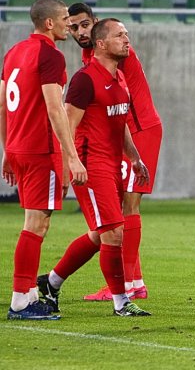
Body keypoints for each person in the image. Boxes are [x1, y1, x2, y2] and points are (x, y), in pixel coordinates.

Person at [37, 19, 151, 317]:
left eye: (127, 34)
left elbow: (121, 121)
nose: (127, 40)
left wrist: (135, 157)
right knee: (114, 232)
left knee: (101, 234)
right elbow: (67, 125)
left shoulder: (120, 78)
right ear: (101, 43)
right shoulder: (85, 80)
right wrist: (71, 163)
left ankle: (51, 282)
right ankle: (121, 302)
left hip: (114, 164)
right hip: (91, 167)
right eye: (120, 35)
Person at [64, 3, 163, 302]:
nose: (80, 32)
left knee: (127, 209)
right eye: (74, 27)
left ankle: (128, 285)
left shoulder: (113, 52)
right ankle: (133, 281)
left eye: (84, 25)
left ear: (96, 27)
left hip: (137, 129)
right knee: (120, 211)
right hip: (123, 133)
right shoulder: (90, 57)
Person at [1, 0, 86, 320]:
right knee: (37, 224)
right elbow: (55, 109)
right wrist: (72, 157)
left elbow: (2, 105)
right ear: (49, 23)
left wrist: (8, 148)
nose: (70, 23)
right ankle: (21, 299)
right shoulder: (50, 55)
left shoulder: (14, 52)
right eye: (65, 18)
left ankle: (28, 293)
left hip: (20, 148)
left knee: (33, 222)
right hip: (40, 150)